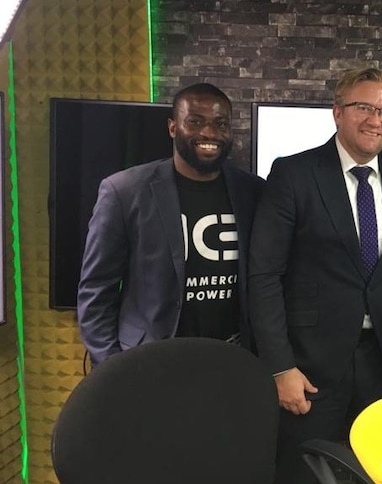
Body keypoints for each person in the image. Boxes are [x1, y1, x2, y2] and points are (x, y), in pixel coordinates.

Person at [247, 67, 382, 483]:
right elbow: (264, 274)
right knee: (303, 472)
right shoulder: (294, 173)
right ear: (337, 112)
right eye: (364, 107)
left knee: (379, 473)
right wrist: (279, 367)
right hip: (310, 366)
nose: (375, 120)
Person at [77, 83, 265, 366]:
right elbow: (96, 290)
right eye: (195, 122)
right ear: (173, 127)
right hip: (150, 362)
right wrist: (113, 367)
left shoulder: (253, 192)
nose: (209, 133)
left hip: (232, 360)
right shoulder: (125, 191)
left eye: (220, 123)